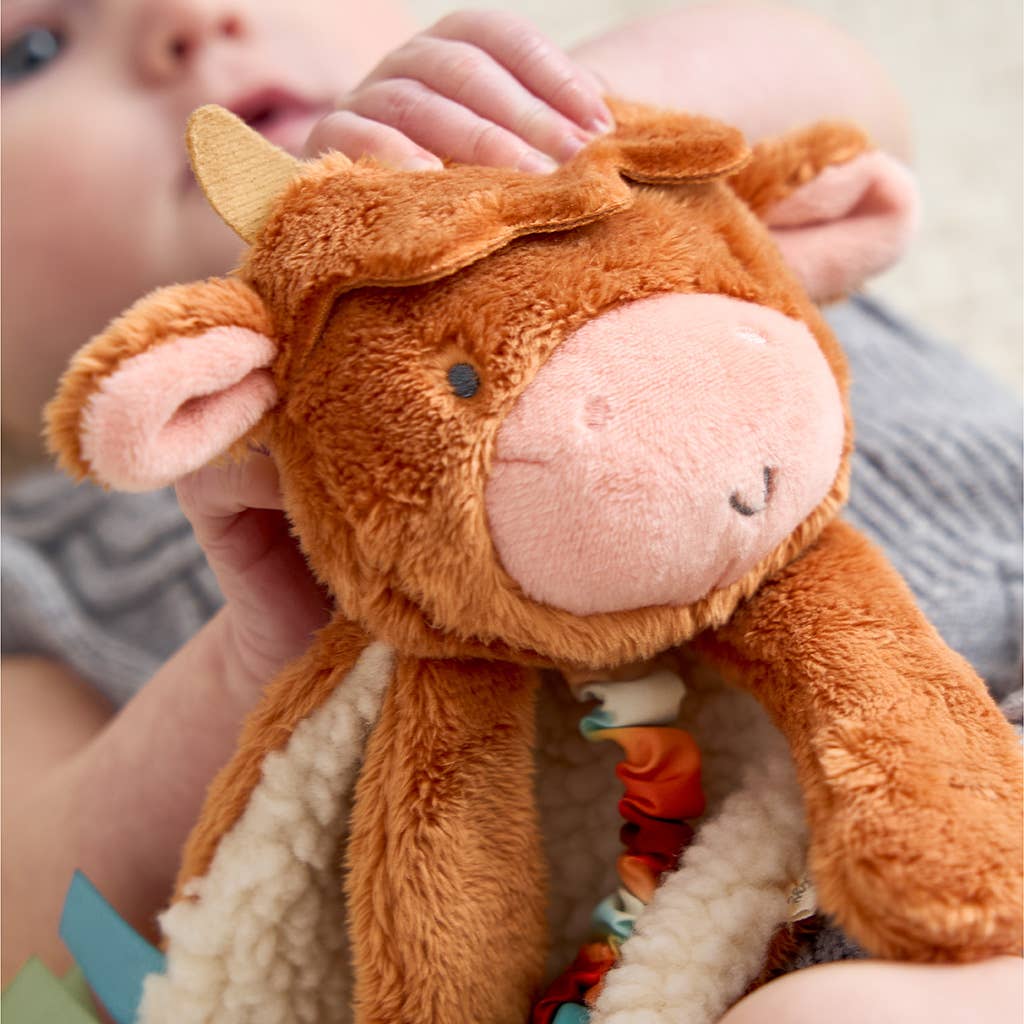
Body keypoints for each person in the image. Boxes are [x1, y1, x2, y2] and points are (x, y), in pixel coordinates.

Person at [2, 1, 1019, 1018]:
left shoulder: (656, 191)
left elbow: (838, 86)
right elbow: (24, 921)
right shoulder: (49, 550)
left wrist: (550, 124)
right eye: (33, 49)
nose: (191, 20)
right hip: (725, 937)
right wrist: (250, 657)